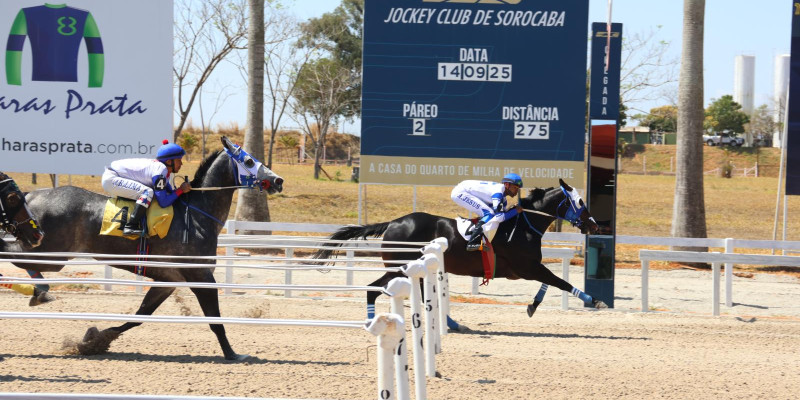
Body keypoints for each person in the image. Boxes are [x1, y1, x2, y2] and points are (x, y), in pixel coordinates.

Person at [101, 140, 192, 235]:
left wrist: (179, 191)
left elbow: (168, 192)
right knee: (148, 192)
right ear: (169, 161)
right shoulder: (161, 170)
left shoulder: (163, 171)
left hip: (113, 176)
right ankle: (130, 226)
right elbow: (163, 202)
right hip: (111, 179)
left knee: (149, 192)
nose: (181, 164)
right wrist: (181, 190)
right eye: (179, 160)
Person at [451, 173, 524, 251]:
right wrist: (515, 211)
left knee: (490, 213)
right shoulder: (498, 193)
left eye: (518, 188)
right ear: (507, 185)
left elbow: (502, 214)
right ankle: (472, 242)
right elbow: (499, 217)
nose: (516, 191)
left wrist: (512, 209)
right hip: (461, 192)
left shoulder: (503, 198)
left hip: (466, 189)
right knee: (489, 213)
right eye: (515, 187)